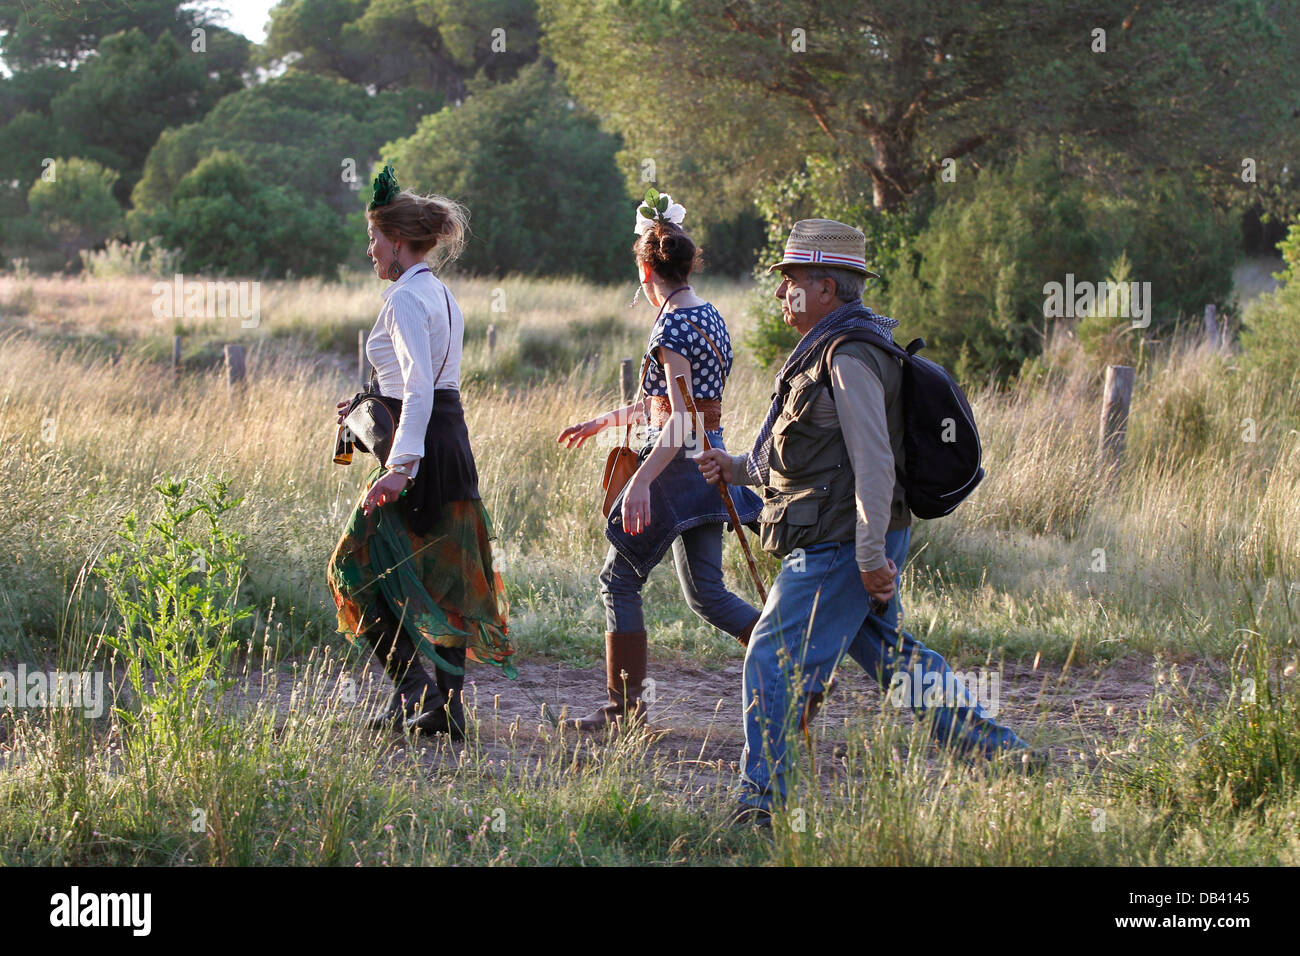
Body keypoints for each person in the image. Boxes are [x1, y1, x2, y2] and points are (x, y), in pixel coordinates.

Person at [696, 219, 1039, 825]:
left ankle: (762, 804)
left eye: (791, 281)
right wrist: (737, 467)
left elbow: (874, 459)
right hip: (848, 536)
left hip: (840, 543)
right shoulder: (833, 346)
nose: (781, 293)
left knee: (771, 656)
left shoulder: (850, 353)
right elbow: (803, 453)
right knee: (894, 660)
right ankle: (1005, 760)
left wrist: (869, 555)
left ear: (826, 287)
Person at [557, 192, 763, 731]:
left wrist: (643, 480)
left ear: (646, 267)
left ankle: (624, 714)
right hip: (707, 459)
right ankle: (792, 655)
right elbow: (681, 407)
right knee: (708, 595)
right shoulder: (711, 315)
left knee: (619, 582)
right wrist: (604, 422)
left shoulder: (670, 328)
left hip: (677, 464)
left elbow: (679, 422)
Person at [327, 163, 514, 742]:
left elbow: (414, 388)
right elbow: (422, 387)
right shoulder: (440, 293)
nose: (370, 250)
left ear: (400, 242)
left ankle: (418, 694)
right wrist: (364, 416)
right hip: (450, 443)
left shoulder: (407, 300)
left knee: (351, 567)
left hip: (422, 451)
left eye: (375, 239)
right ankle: (445, 711)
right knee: (449, 579)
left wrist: (399, 467)